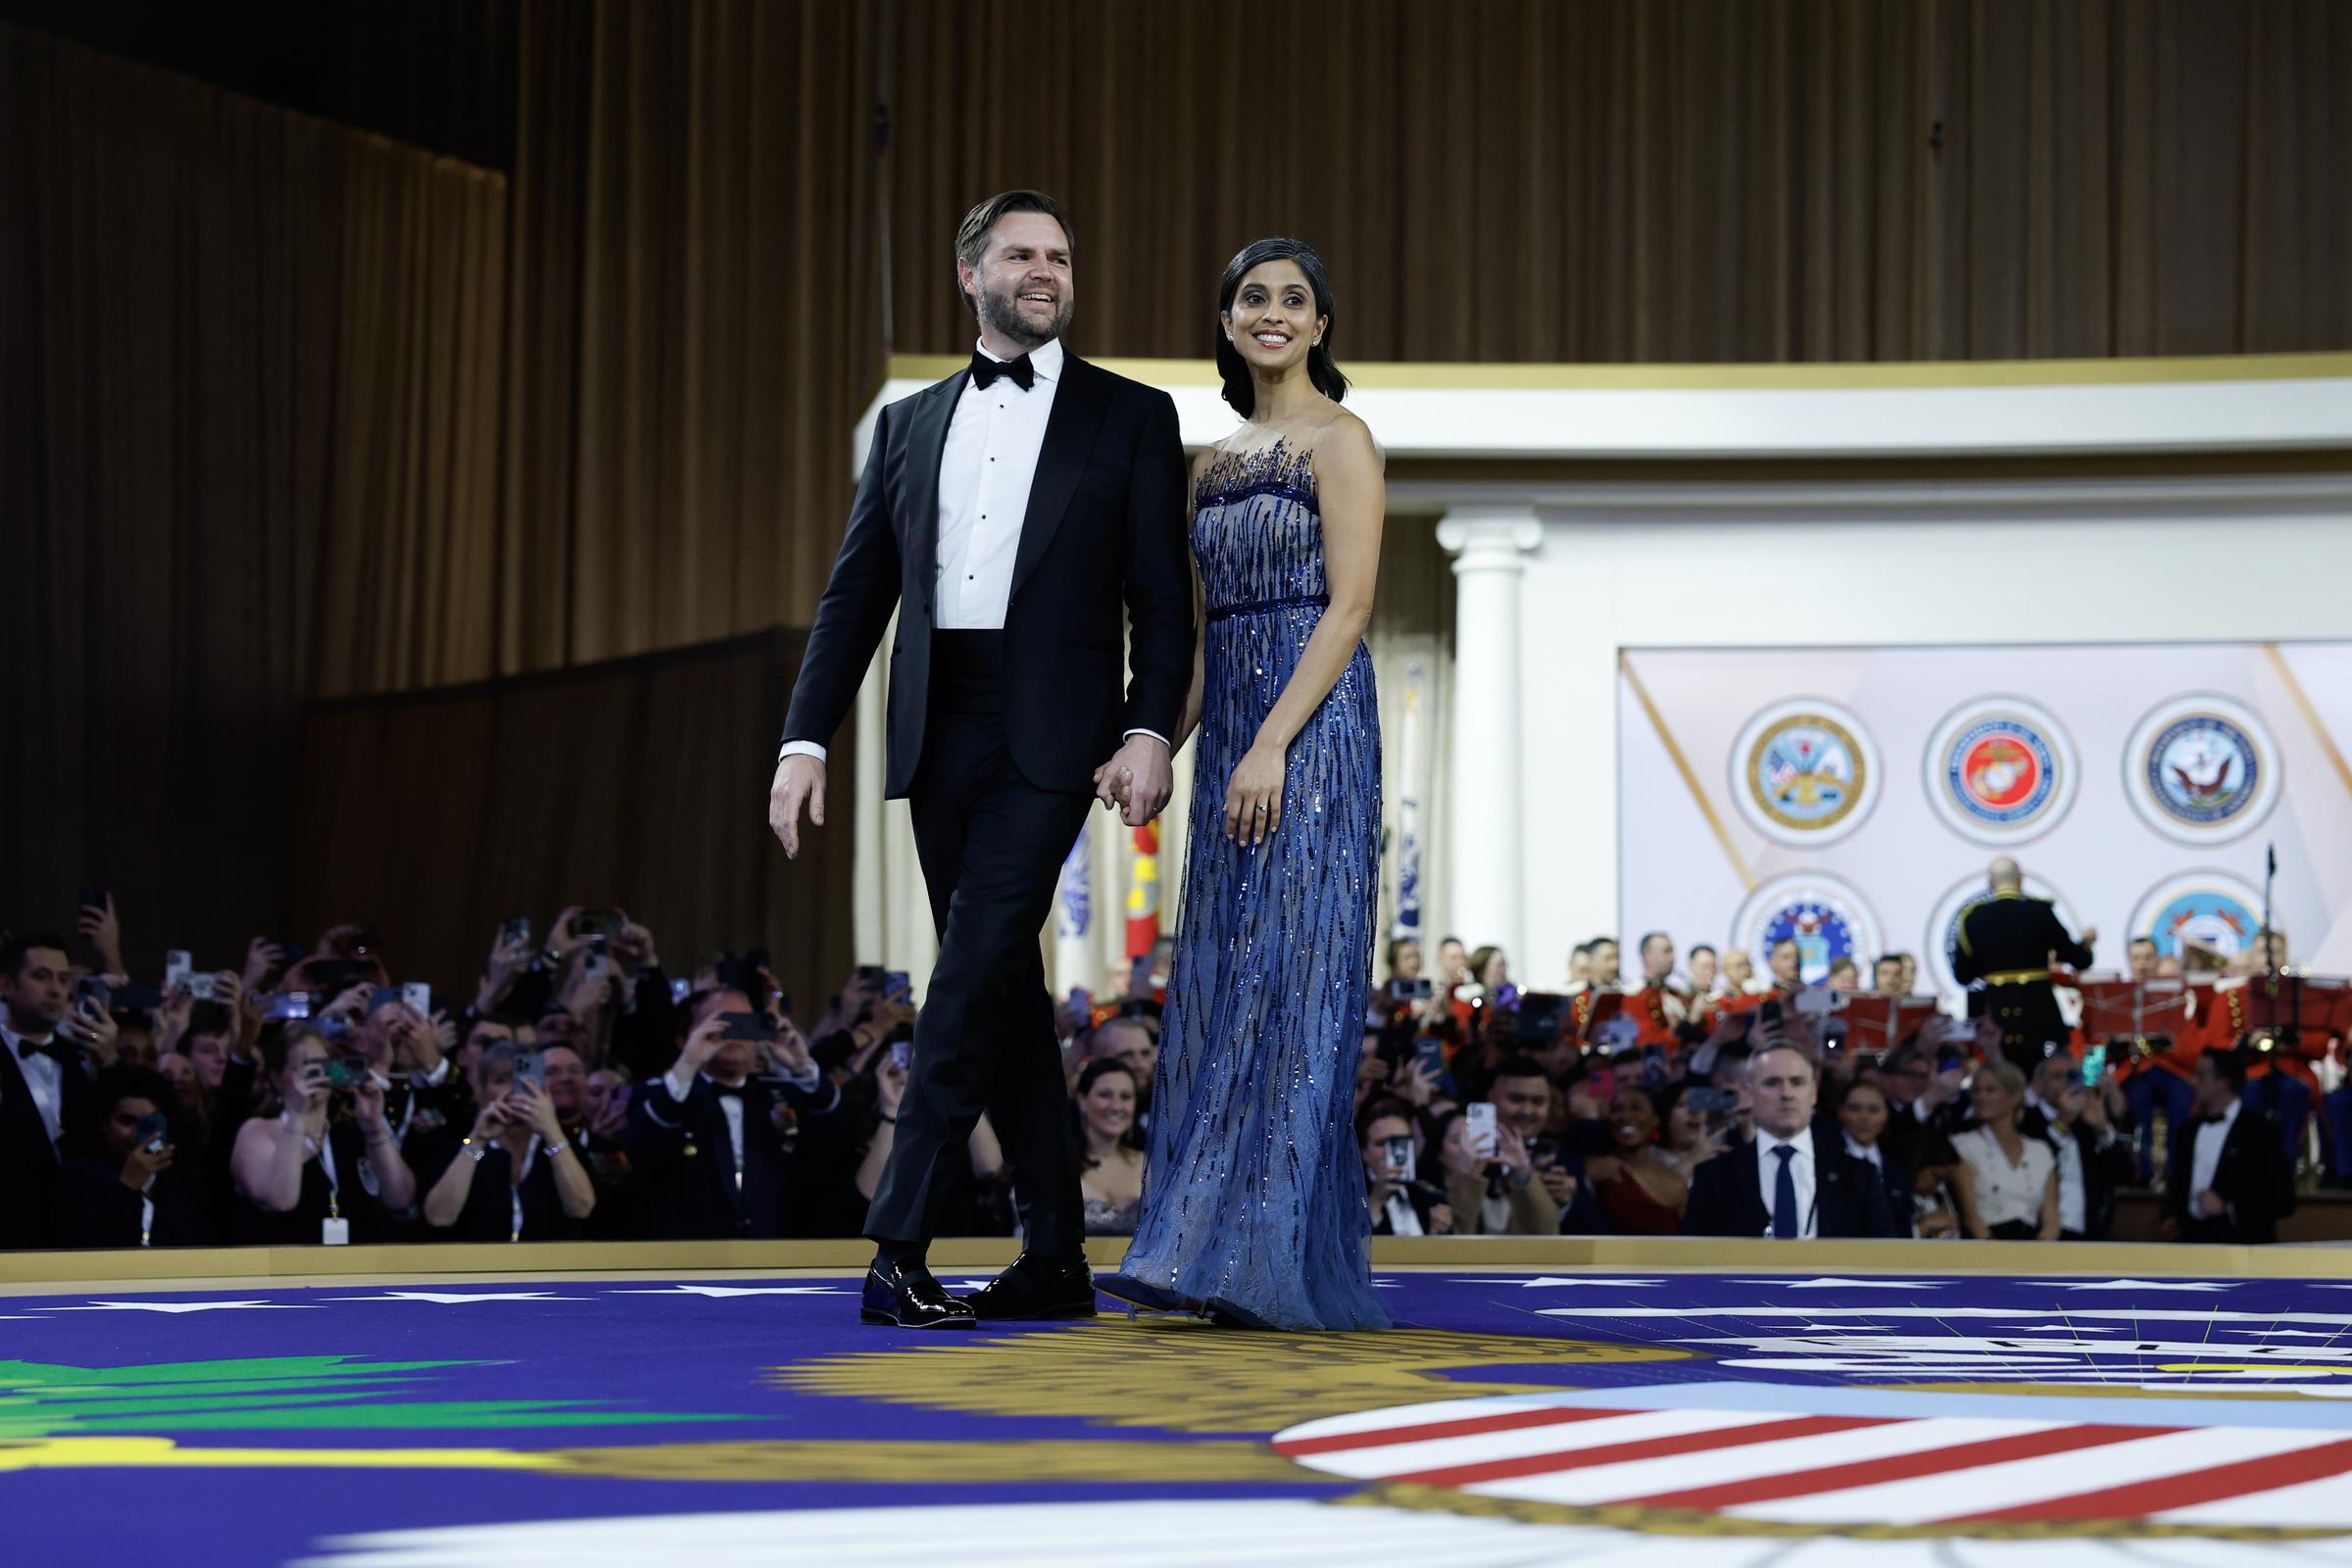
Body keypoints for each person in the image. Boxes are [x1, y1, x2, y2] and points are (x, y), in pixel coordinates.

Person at [767, 190, 1193, 1330]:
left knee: (960, 976)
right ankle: (1056, 1252)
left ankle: (896, 1244)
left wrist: (1150, 728)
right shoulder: (908, 423)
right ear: (972, 275)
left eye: (1061, 253)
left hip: (1054, 736)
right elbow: (856, 592)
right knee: (1002, 990)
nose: (1046, 268)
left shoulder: (1131, 415)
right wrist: (807, 737)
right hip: (933, 723)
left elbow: (1161, 596)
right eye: (1022, 252)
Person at [1104, 237, 1390, 1331]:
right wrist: (1153, 745)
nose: (1274, 312)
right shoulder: (1206, 462)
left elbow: (1350, 607)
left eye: (1295, 299)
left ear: (1322, 324)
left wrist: (1270, 743)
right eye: (1253, 298)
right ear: (1227, 322)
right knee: (1226, 986)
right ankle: (1198, 1250)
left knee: (1294, 983)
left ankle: (1263, 1260)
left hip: (1311, 741)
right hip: (1234, 737)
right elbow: (1204, 639)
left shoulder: (1342, 438)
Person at [1683, 1042, 1897, 1239]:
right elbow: (1695, 1264)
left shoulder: (1859, 1176)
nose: (1787, 1093)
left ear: (1813, 1092)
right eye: (1772, 1083)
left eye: (1797, 1082)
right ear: (1750, 1093)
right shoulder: (1712, 1178)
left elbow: (1884, 1260)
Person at [229, 1021, 417, 1246]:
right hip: (288, 1272)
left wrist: (374, 1128)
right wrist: (297, 1114)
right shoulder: (257, 1132)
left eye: (323, 1065)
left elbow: (401, 1198)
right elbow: (280, 1200)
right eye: (305, 1067)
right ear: (277, 1078)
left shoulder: (349, 1132)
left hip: (361, 1269)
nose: (317, 1075)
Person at [413, 1042, 599, 1243]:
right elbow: (439, 1217)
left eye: (522, 1080)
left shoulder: (562, 1146)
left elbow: (581, 1208)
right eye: (501, 1080)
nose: (512, 1090)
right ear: (482, 1091)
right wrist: (477, 1140)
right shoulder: (461, 1146)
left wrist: (552, 1132)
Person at [0, 931, 106, 1249]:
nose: (55, 990)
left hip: (82, 1237)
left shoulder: (86, 1058)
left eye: (63, 979)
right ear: (6, 985)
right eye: (41, 976)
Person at [1952, 857, 2096, 1070]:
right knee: (2044, 1074)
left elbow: (1963, 975)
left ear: (1990, 884)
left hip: (1995, 1013)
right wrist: (2085, 945)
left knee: (1999, 1077)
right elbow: (2080, 960)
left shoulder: (1972, 917)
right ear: (2020, 880)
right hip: (2038, 1012)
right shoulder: (2041, 912)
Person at [53, 1065, 213, 1248]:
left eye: (149, 1124)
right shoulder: (78, 1179)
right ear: (106, 1124)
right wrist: (128, 1186)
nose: (137, 1134)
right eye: (127, 1121)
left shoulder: (181, 1183)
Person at [2164, 1050, 2295, 1244]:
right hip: (2189, 1248)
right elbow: (2176, 1185)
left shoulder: (2260, 1132)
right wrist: (2169, 1215)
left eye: (2201, 1075)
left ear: (2223, 1082)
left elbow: (2284, 1200)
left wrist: (2229, 1208)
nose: (2193, 1082)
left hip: (2243, 1250)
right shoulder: (2187, 1130)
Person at [1951, 1058, 2059, 1241]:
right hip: (1985, 1247)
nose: (1981, 1097)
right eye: (1976, 1091)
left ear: (2014, 1096)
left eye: (1990, 1090)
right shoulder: (1962, 1145)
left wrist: (2039, 1256)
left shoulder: (2040, 1151)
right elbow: (1970, 1215)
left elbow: (2051, 1219)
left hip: (2033, 1249)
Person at [1583, 1085, 1688, 1235]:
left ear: (1655, 1119)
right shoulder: (1592, 1169)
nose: (1625, 1116)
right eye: (1617, 1109)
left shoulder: (1676, 1184)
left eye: (1636, 1108)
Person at [1831, 1077, 1914, 1238]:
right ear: (1840, 1112)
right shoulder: (1826, 1163)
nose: (1864, 1117)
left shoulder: (1897, 1167)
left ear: (1886, 1114)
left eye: (1874, 1109)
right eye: (1855, 1108)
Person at [1073, 1058, 1145, 1236]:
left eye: (1126, 1097)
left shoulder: (1150, 1165)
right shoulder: (1058, 1166)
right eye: (1105, 1095)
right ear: (1082, 1100)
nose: (1116, 1106)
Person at [1362, 1101, 1449, 1236]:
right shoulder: (1348, 1197)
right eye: (1381, 1143)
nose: (1391, 1152)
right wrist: (1375, 1202)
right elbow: (1352, 1249)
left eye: (1399, 1143)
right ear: (1364, 1152)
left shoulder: (1431, 1197)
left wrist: (1436, 1235)